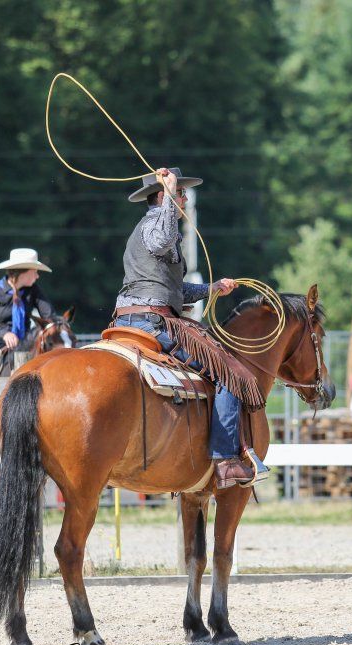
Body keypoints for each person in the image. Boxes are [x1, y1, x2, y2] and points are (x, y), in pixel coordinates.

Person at [112, 167, 267, 489]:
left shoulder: (147, 228)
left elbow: (173, 289)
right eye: (180, 194)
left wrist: (211, 288)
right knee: (229, 374)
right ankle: (225, 460)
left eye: (180, 194)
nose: (183, 199)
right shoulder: (156, 225)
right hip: (154, 323)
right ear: (162, 196)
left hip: (127, 319)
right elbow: (162, 239)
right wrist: (170, 195)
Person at [0, 248, 59, 436]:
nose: (37, 276)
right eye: (35, 272)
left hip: (25, 347)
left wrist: (58, 326)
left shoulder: (34, 291)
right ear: (23, 272)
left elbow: (49, 317)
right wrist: (4, 334)